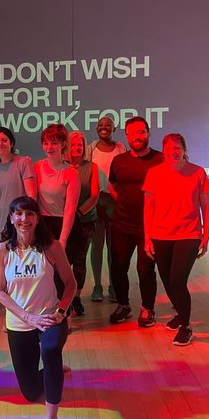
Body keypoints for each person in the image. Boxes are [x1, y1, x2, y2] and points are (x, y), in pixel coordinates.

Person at [0, 196, 76, 419]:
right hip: (20, 322)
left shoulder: (51, 247)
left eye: (29, 214)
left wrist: (61, 311)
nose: (24, 219)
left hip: (50, 317)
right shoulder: (2, 250)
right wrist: (27, 316)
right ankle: (53, 370)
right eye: (18, 214)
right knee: (30, 392)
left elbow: (70, 284)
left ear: (38, 218)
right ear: (11, 219)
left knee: (50, 351)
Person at [143, 133, 209, 347]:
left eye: (177, 148)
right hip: (160, 235)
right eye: (168, 148)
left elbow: (206, 205)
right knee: (167, 281)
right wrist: (147, 237)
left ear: (183, 149)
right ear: (163, 150)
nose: (173, 152)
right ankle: (181, 314)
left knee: (177, 281)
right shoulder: (154, 173)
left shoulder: (197, 173)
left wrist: (206, 234)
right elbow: (148, 207)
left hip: (189, 234)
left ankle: (185, 325)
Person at [108, 116, 164, 326]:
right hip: (121, 224)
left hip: (149, 227)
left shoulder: (161, 159)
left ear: (148, 133)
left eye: (140, 132)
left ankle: (148, 309)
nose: (136, 137)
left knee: (145, 269)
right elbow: (113, 185)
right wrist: (123, 202)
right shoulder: (119, 161)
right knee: (118, 267)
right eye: (132, 133)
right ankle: (123, 305)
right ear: (126, 136)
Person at [33, 124, 80, 307]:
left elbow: (70, 209)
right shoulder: (37, 166)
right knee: (43, 272)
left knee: (61, 275)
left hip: (63, 225)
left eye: (53, 143)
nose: (49, 147)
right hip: (43, 224)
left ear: (62, 144)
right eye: (45, 143)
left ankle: (63, 312)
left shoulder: (71, 173)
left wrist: (63, 239)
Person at [85, 117, 127, 302]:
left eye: (108, 125)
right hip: (96, 203)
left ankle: (113, 286)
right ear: (96, 129)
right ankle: (97, 286)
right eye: (101, 125)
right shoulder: (91, 149)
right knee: (97, 246)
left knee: (113, 247)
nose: (104, 128)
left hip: (115, 203)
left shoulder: (120, 148)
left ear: (114, 129)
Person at [66, 131, 99, 315]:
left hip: (85, 220)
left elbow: (94, 195)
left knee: (79, 260)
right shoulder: (62, 166)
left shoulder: (92, 167)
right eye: (74, 144)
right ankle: (64, 297)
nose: (77, 148)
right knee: (63, 261)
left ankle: (76, 298)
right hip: (63, 221)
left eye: (80, 145)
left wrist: (77, 213)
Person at [0, 126, 37, 240]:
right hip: (2, 224)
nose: (0, 144)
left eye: (4, 140)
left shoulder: (23, 162)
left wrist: (28, 219)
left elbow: (32, 197)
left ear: (11, 143)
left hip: (22, 224)